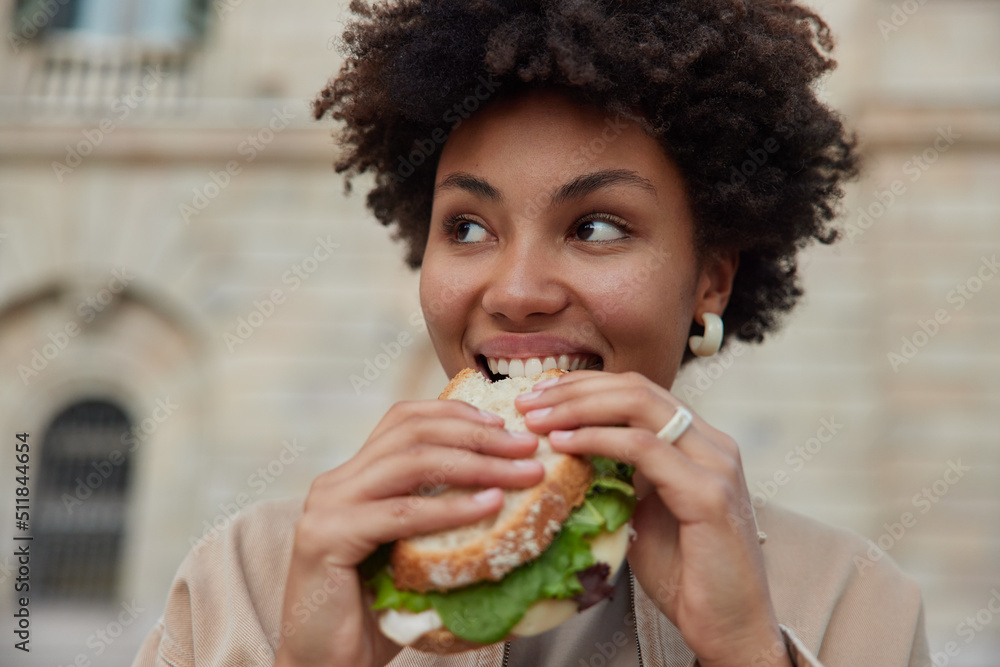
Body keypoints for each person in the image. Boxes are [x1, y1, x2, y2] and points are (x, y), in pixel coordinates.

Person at [134, 1, 930, 665]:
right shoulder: (241, 580)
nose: (514, 293)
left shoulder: (856, 600)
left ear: (711, 278)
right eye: (470, 228)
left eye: (596, 226)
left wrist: (748, 652)